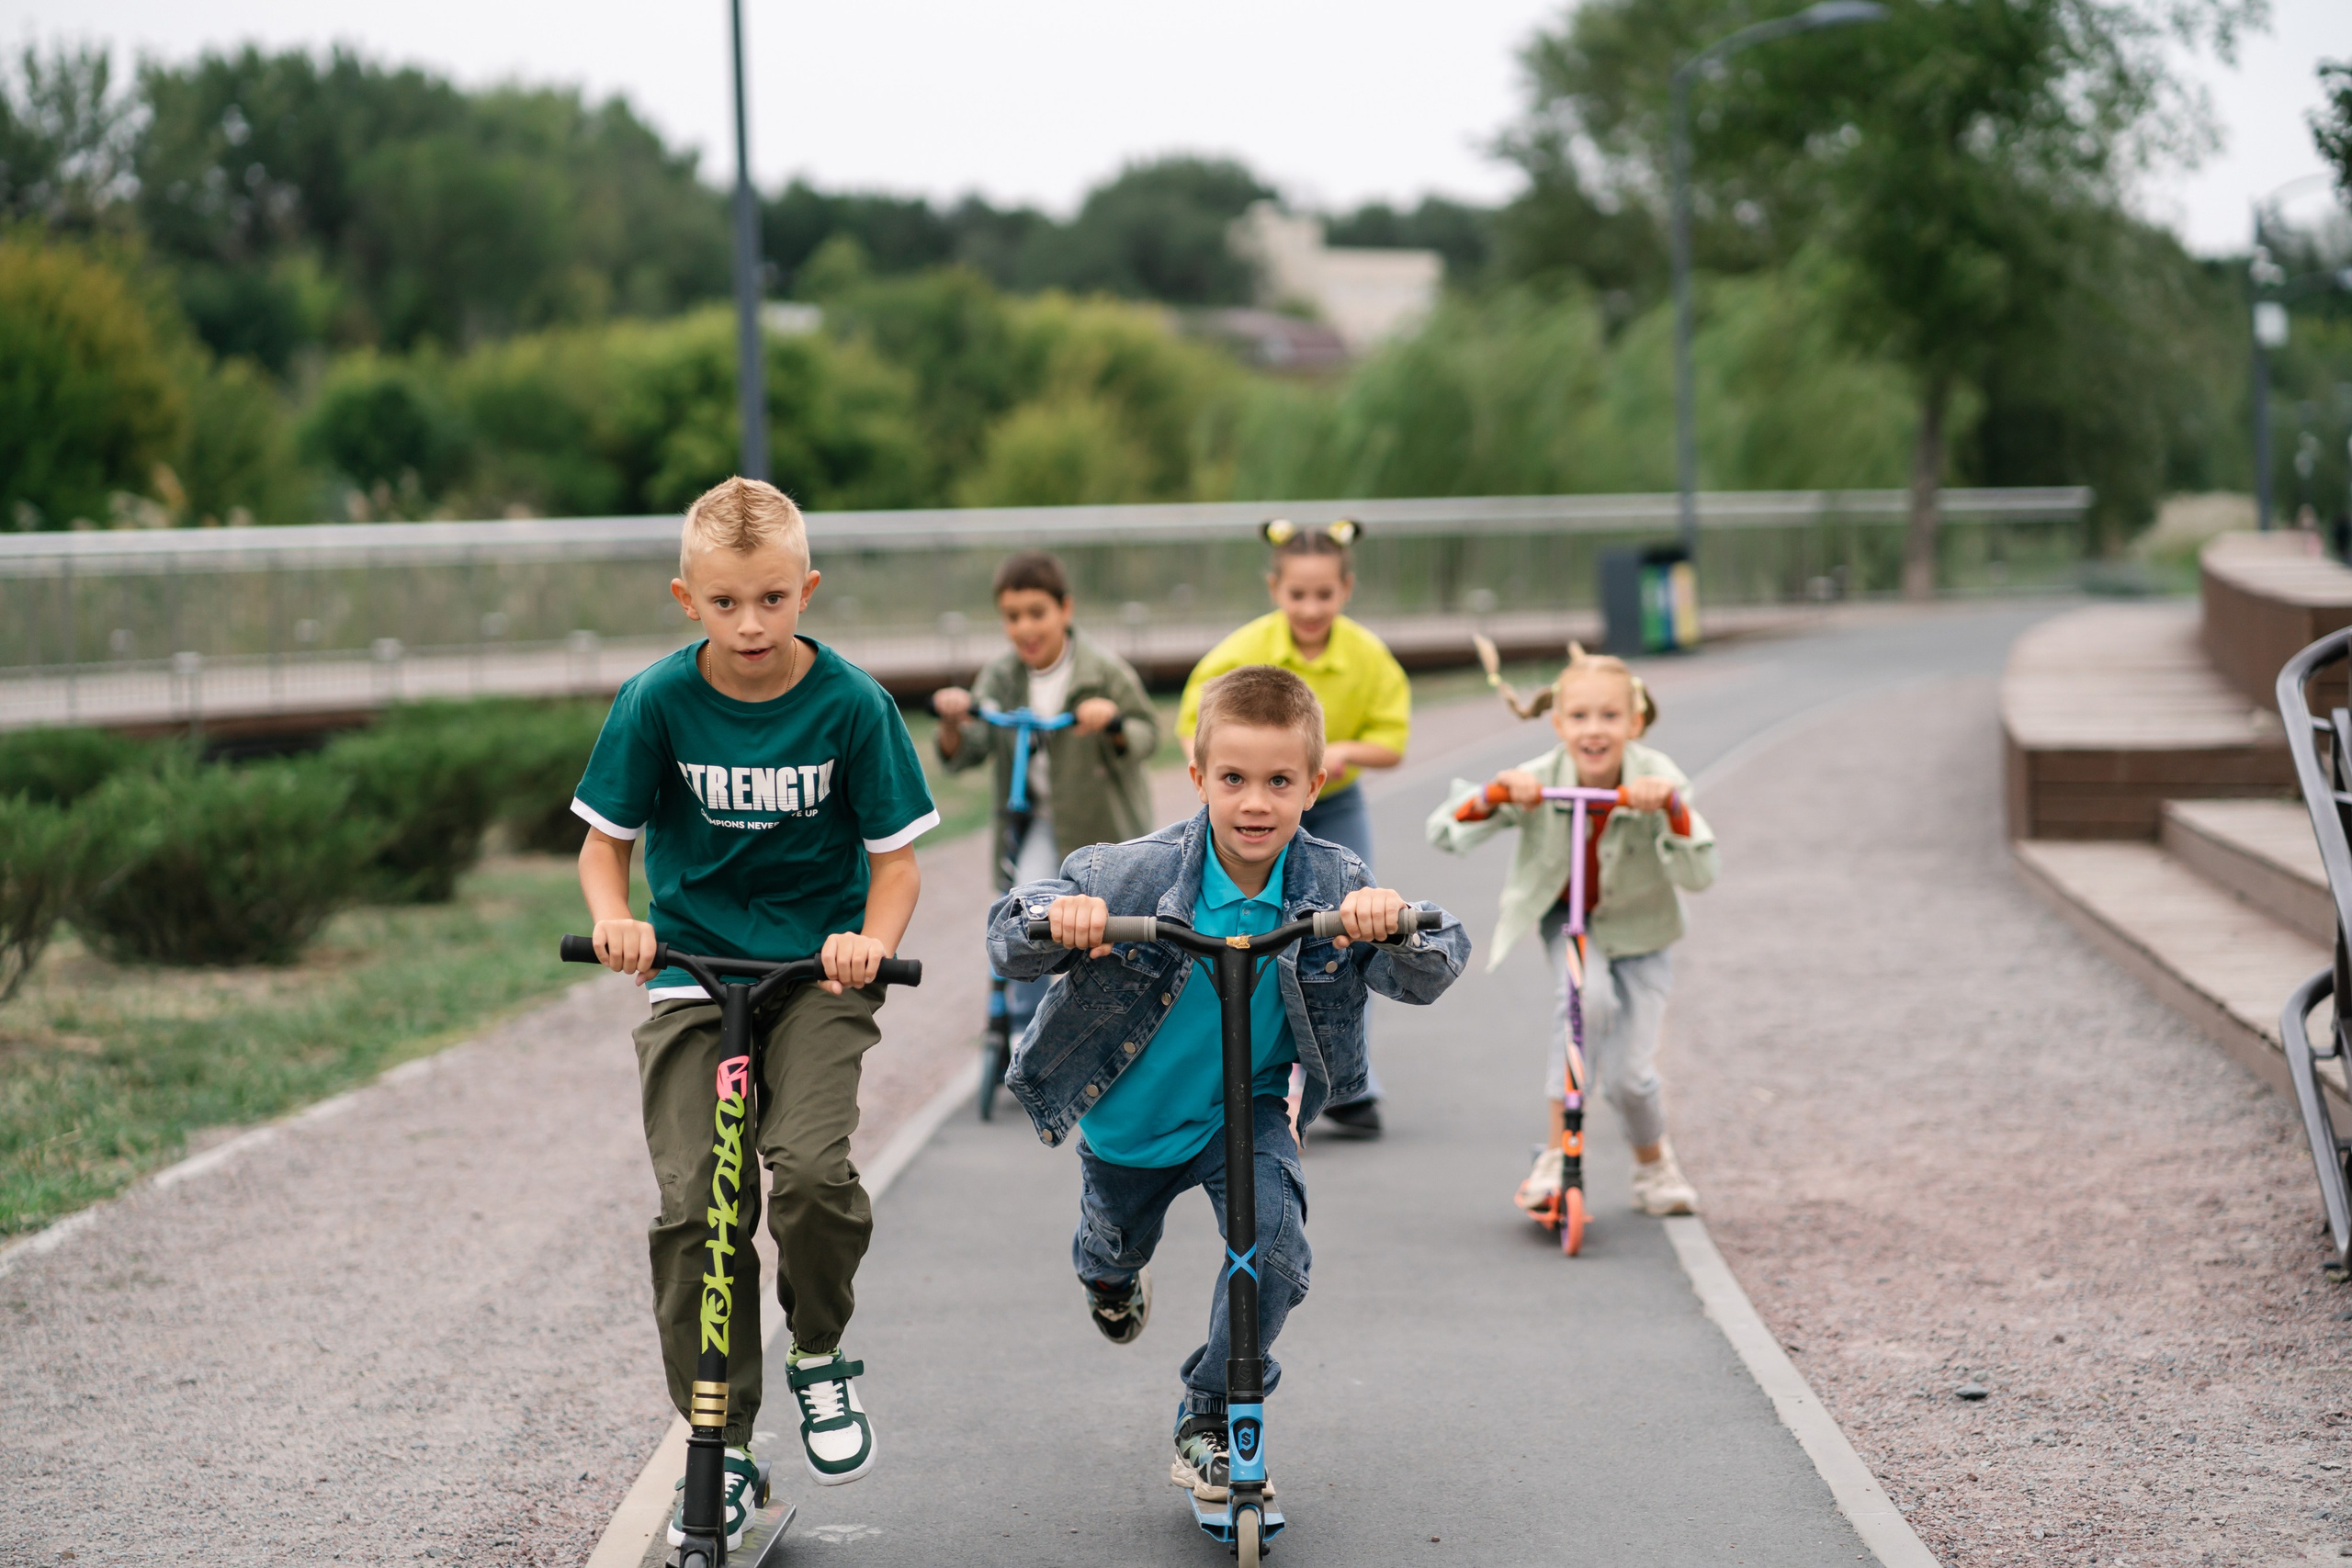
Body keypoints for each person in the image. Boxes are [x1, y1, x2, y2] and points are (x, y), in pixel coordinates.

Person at [989, 666, 1467, 1502]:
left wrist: (1391, 926)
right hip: (1128, 1122)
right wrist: (1057, 918)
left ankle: (1210, 1412)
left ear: (1315, 784)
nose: (1256, 803)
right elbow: (1010, 930)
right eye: (1234, 779)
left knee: (1278, 1251)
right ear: (1198, 777)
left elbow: (1437, 957)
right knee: (1112, 1250)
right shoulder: (1131, 874)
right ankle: (1109, 1276)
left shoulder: (1331, 880)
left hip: (1241, 1115)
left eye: (1280, 782)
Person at [571, 478, 940, 1547]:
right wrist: (614, 923)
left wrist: (870, 940)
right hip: (691, 976)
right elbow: (606, 845)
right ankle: (720, 1445)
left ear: (807, 591)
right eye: (726, 603)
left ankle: (819, 1351)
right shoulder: (655, 702)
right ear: (686, 598)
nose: (750, 625)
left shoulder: (851, 706)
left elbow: (897, 865)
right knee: (697, 1208)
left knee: (813, 1172)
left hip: (815, 981)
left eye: (772, 600)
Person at [1426, 644, 1717, 1219]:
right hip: (1571, 924)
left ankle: (1653, 1165)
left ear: (1635, 722)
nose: (1594, 730)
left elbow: (1702, 872)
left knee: (1631, 1079)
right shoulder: (1538, 778)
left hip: (1644, 932)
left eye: (1610, 717)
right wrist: (1495, 795)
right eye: (1579, 717)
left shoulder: (1659, 779)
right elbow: (1444, 829)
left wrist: (1672, 810)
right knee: (1585, 1001)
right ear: (1558, 723)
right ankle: (1557, 1156)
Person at [1176, 520, 1410, 1135]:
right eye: (1298, 594)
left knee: (1352, 920)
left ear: (1346, 589)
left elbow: (1395, 742)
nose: (1311, 608)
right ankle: (1237, 1063)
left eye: (1324, 595)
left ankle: (1348, 1078)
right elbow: (1188, 728)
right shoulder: (1237, 650)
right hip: (1256, 804)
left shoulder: (1367, 656)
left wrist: (1346, 751)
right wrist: (1235, 785)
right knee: (1242, 923)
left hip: (1333, 800)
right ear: (1275, 587)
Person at [931, 550, 1159, 1039]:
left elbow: (1146, 735)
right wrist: (955, 720)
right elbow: (965, 750)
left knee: (1115, 925)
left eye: (1038, 613)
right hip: (1036, 818)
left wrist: (1111, 722)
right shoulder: (1002, 676)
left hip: (1102, 825)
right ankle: (1030, 1028)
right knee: (1028, 912)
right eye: (1013, 617)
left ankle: (1126, 1021)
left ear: (1065, 610)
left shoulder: (1102, 670)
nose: (1025, 628)